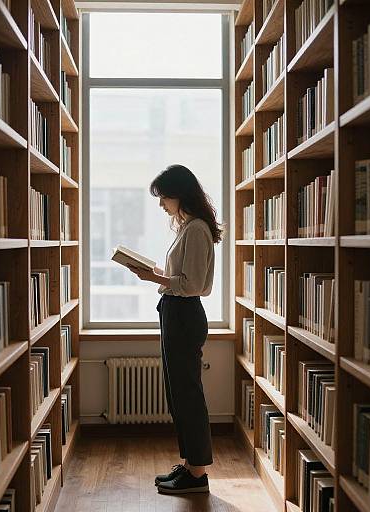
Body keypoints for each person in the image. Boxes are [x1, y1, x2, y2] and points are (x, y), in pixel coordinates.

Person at [126, 164, 223, 495]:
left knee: (188, 395)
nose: (161, 204)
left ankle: (197, 474)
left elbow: (193, 285)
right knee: (179, 394)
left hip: (183, 314)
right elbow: (181, 278)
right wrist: (158, 273)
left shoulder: (196, 229)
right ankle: (190, 466)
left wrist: (153, 277)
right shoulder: (187, 227)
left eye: (163, 197)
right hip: (175, 312)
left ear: (179, 194)